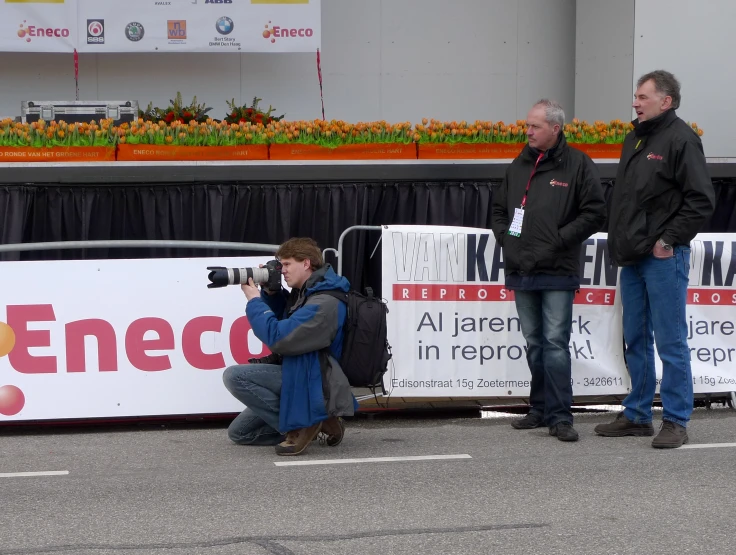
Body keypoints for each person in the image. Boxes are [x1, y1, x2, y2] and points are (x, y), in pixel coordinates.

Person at [594, 70, 715, 448]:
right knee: (635, 339)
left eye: (643, 97)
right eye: (636, 96)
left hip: (663, 256)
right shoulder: (636, 137)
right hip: (632, 256)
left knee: (671, 341)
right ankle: (637, 415)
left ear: (667, 101)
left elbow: (701, 201)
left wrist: (668, 240)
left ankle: (676, 420)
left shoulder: (682, 139)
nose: (635, 102)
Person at [492, 99, 606, 442]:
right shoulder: (518, 165)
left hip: (557, 268)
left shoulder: (578, 164)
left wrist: (558, 240)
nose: (528, 131)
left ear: (555, 129)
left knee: (555, 343)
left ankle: (560, 416)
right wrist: (509, 242)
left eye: (535, 126)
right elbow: (500, 210)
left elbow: (595, 213)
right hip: (521, 268)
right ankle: (539, 409)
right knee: (534, 344)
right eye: (527, 125)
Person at [222, 237, 358, 456]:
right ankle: (321, 421)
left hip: (315, 378)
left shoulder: (324, 303)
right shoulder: (307, 292)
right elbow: (286, 321)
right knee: (240, 433)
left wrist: (255, 301)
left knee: (235, 376)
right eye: (281, 265)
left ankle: (302, 424)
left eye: (287, 264)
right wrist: (271, 294)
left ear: (306, 263)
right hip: (299, 371)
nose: (282, 271)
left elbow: (279, 338)